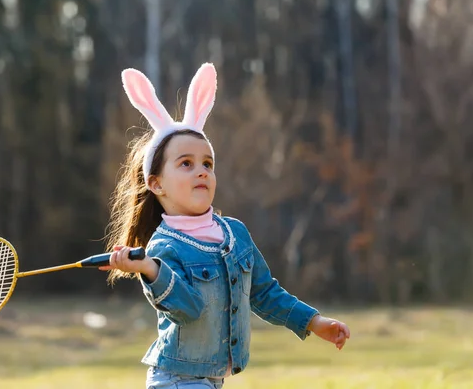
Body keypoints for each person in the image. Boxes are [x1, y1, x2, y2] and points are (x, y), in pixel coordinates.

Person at [99, 63, 351, 389]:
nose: (201, 171)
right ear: (156, 183)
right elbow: (187, 308)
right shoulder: (165, 246)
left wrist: (313, 322)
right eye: (186, 164)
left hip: (213, 380)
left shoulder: (235, 235)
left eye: (207, 163)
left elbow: (264, 293)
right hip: (176, 380)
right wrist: (150, 268)